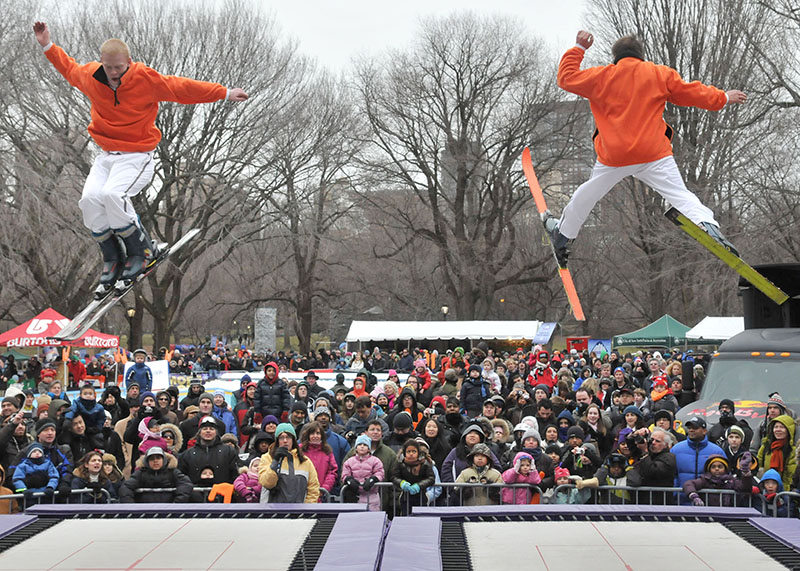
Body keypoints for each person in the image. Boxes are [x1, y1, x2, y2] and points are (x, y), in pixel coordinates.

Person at [32, 22, 248, 293]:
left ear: (128, 63)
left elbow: (181, 88)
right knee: (88, 201)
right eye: (108, 67)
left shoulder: (145, 79)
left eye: (118, 68)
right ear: (102, 64)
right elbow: (69, 68)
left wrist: (224, 93)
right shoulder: (90, 77)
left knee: (113, 195)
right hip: (107, 157)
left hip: (137, 156)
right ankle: (113, 259)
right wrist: (47, 45)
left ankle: (143, 251)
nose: (113, 73)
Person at [545, 30, 747, 266]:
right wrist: (722, 97)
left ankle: (563, 235)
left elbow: (566, 78)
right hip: (653, 154)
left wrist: (579, 48)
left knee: (587, 195)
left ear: (616, 57)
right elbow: (691, 92)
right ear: (641, 56)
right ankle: (709, 226)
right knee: (680, 195)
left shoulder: (601, 77)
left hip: (614, 156)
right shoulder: (658, 74)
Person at [258, 423, 320, 503]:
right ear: (277, 441)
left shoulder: (305, 461)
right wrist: (275, 462)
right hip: (272, 512)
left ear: (293, 440)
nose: (285, 441)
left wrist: (306, 510)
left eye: (288, 437)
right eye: (281, 438)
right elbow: (267, 483)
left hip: (299, 512)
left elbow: (313, 489)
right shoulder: (267, 458)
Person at [672, 416, 725, 503]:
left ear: (704, 431)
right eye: (689, 428)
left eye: (695, 428)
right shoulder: (676, 449)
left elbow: (724, 475)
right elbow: (672, 475)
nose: (691, 430)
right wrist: (675, 493)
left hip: (709, 503)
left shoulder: (717, 451)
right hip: (681, 502)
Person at [119, 446, 192, 503]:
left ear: (164, 460)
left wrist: (177, 503)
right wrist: (132, 507)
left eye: (158, 458)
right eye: (152, 459)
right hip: (144, 513)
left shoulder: (172, 472)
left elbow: (186, 484)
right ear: (147, 461)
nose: (155, 461)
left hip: (170, 512)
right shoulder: (140, 473)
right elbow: (126, 487)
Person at [683, 453, 754, 507]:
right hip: (708, 515)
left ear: (725, 469)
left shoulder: (731, 480)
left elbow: (745, 488)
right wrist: (694, 495)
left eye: (720, 466)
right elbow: (688, 484)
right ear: (709, 469)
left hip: (729, 515)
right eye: (713, 467)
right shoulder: (705, 479)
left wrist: (745, 471)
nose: (716, 469)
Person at [341, 434, 385, 511]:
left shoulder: (376, 461)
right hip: (355, 496)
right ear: (356, 448)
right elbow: (345, 473)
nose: (362, 446)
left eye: (365, 445)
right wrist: (349, 480)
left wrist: (373, 479)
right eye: (359, 444)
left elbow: (380, 472)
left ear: (369, 448)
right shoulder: (349, 462)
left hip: (371, 496)